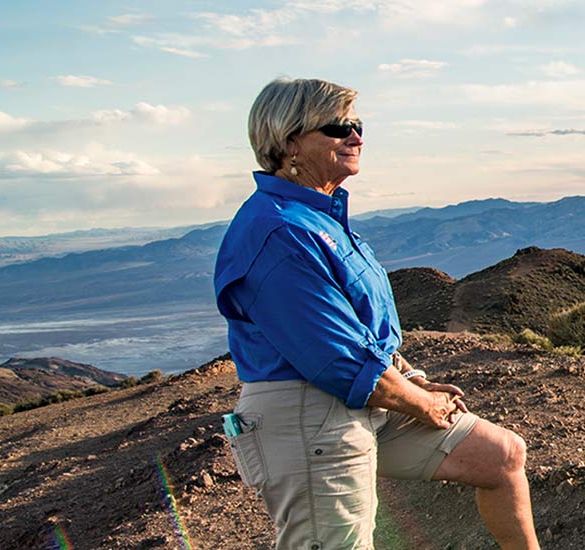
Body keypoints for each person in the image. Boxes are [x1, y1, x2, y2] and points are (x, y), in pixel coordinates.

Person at [214, 78, 537, 549]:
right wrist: (421, 402)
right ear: (289, 143)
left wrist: (412, 378)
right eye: (338, 126)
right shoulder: (276, 232)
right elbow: (338, 359)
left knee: (500, 456)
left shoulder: (319, 219)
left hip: (365, 400)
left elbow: (362, 331)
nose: (356, 137)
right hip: (311, 417)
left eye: (358, 125)